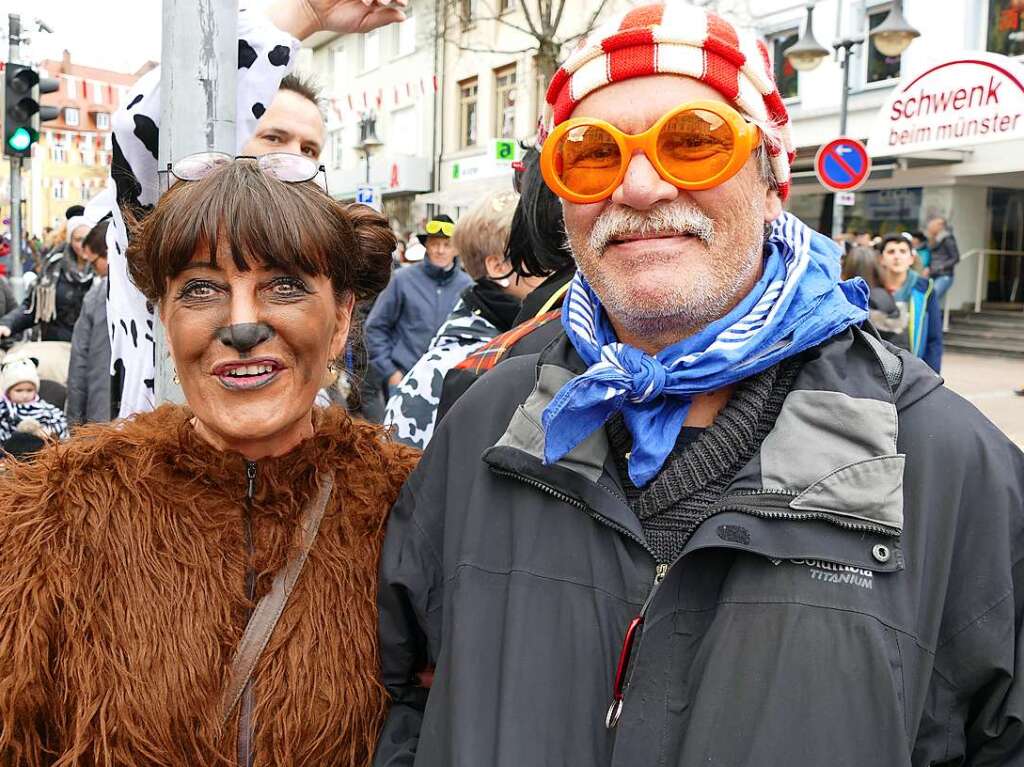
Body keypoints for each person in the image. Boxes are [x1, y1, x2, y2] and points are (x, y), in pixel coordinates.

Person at [374, 5, 1024, 766]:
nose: (641, 186)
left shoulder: (945, 460)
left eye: (693, 142)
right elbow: (407, 696)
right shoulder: (485, 421)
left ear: (771, 179)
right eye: (593, 155)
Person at [0, 158, 418, 764]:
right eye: (201, 289)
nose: (242, 326)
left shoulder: (413, 509)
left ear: (341, 321)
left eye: (284, 286)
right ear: (165, 321)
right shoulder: (49, 516)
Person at [104, 0, 406, 420]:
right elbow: (141, 125)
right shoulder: (167, 226)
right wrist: (304, 14)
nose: (293, 161)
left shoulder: (321, 252)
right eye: (274, 138)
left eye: (309, 150)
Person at [384, 191, 542, 448]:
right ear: (498, 266)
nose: (550, 262)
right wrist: (392, 373)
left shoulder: (535, 343)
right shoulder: (441, 374)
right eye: (535, 251)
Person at [364, 214, 472, 398]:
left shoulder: (468, 287)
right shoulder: (402, 280)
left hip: (449, 387)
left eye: (447, 245)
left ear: (456, 249)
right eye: (435, 244)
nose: (440, 250)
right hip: (405, 382)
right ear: (426, 245)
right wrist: (390, 373)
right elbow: (375, 328)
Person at [0, 216, 94, 343]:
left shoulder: (105, 270)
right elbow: (32, 307)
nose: (84, 244)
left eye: (88, 239)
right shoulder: (53, 266)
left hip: (92, 349)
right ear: (70, 240)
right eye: (78, 239)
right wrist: (7, 324)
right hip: (57, 347)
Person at [872, 234, 943, 373]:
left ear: (911, 259)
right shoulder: (869, 290)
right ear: (881, 259)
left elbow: (934, 339)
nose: (897, 257)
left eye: (903, 251)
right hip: (876, 370)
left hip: (912, 369)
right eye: (891, 252)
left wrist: (933, 376)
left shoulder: (925, 290)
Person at [66, 220, 113, 426]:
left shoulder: (100, 294)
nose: (94, 270)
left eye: (94, 263)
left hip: (103, 416)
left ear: (109, 253)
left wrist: (74, 425)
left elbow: (80, 362)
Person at [0, 352, 68, 445]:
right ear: (8, 391)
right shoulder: (4, 408)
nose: (24, 395)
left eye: (29, 390)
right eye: (19, 391)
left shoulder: (44, 408)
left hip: (41, 449)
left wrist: (47, 431)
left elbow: (60, 423)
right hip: (9, 451)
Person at [926, 215, 959, 303]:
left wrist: (941, 267)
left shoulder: (947, 239)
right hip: (932, 274)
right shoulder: (932, 239)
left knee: (933, 296)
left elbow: (955, 257)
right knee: (927, 298)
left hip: (944, 274)